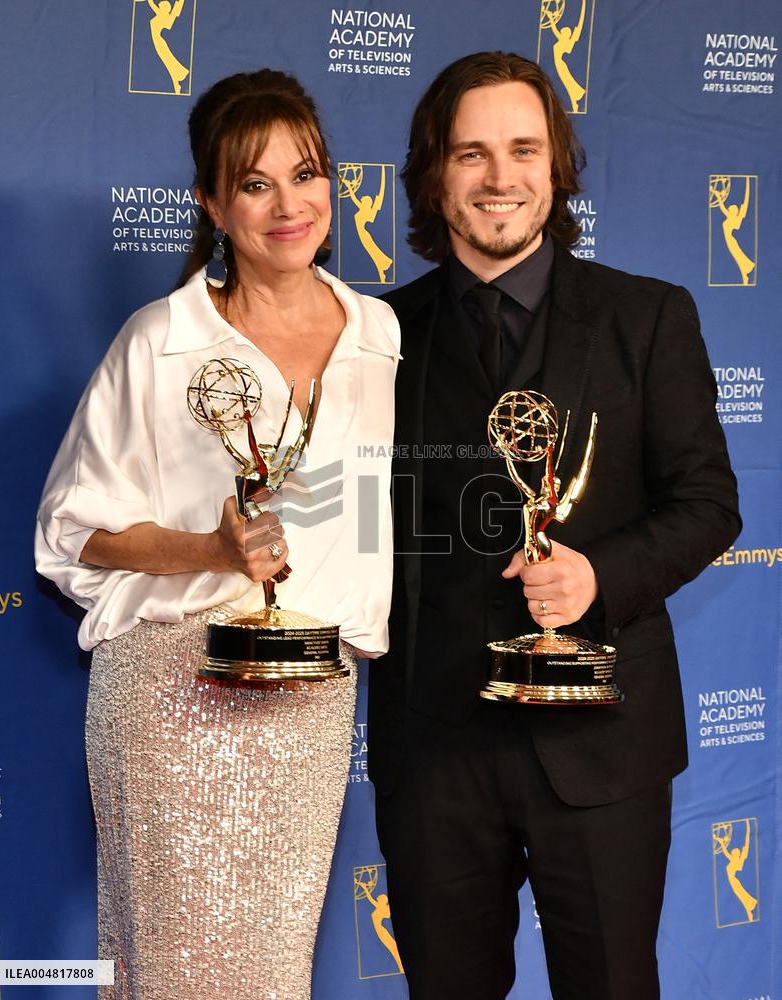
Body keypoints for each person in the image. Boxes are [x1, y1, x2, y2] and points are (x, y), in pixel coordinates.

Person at [367, 51, 740, 1000]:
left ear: (557, 166)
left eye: (523, 149)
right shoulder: (372, 338)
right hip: (434, 749)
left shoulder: (649, 317)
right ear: (432, 176)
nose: (501, 179)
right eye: (472, 154)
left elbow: (708, 504)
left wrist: (598, 577)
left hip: (604, 741)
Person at [35, 69, 399, 999]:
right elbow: (73, 530)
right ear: (211, 202)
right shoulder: (160, 338)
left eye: (307, 173)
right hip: (173, 688)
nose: (290, 204)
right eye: (254, 182)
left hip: (310, 694)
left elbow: (371, 518)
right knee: (171, 970)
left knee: (273, 973)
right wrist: (211, 548)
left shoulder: (381, 335)